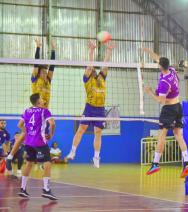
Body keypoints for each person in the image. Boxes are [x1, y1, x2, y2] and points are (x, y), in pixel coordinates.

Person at [6, 39, 56, 167]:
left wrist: (54, 49)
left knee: (42, 136)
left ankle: (40, 161)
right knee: (25, 134)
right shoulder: (35, 79)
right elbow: (35, 64)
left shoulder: (48, 80)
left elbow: (53, 66)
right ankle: (10, 156)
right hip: (34, 111)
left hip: (44, 113)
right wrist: (38, 47)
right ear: (38, 72)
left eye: (46, 72)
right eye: (43, 72)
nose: (45, 73)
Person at [66, 41, 114, 168]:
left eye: (92, 68)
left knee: (98, 133)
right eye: (89, 68)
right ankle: (73, 151)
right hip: (89, 107)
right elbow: (89, 66)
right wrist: (91, 51)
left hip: (100, 109)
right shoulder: (87, 78)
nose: (90, 69)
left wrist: (109, 51)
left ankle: (96, 157)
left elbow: (105, 65)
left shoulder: (102, 78)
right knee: (81, 129)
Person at [144, 57, 188, 178]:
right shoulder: (172, 70)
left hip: (169, 109)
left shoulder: (164, 83)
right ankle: (187, 163)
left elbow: (161, 100)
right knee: (178, 135)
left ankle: (155, 163)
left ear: (160, 66)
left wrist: (149, 92)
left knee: (162, 136)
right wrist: (148, 53)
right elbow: (158, 58)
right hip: (178, 107)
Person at [17, 93, 57, 200]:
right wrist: (51, 134)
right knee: (47, 163)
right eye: (41, 98)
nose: (43, 100)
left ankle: (23, 189)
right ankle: (46, 190)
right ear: (38, 101)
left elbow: (19, 125)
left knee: (29, 163)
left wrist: (28, 133)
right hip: (40, 142)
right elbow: (52, 123)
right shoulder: (44, 111)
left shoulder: (26, 111)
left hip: (29, 142)